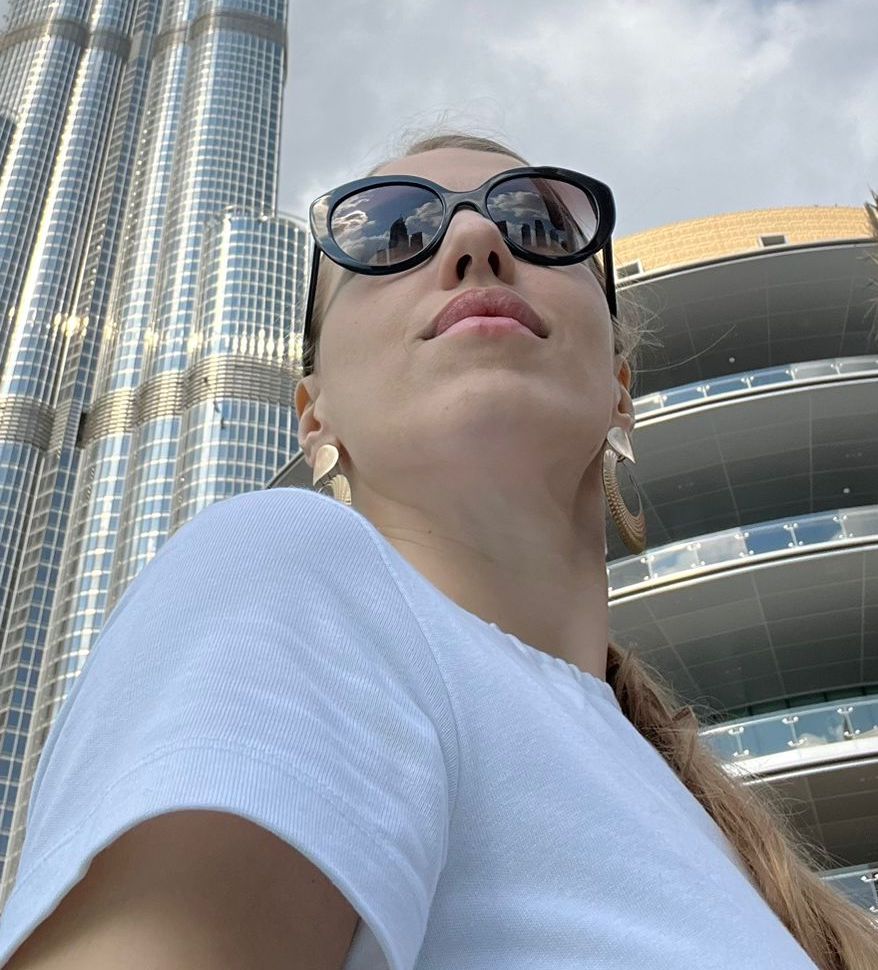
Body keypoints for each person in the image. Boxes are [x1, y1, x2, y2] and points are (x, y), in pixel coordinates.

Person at [0, 130, 875, 970]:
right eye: (389, 232)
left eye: (537, 225)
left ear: (620, 391)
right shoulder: (285, 568)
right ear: (315, 415)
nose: (474, 240)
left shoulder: (709, 833)